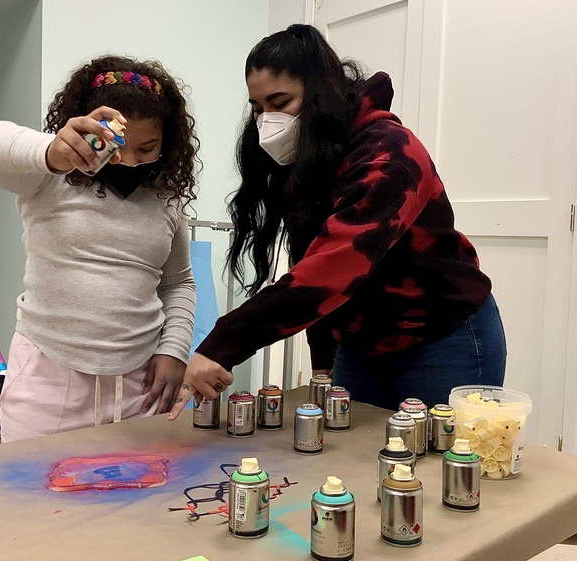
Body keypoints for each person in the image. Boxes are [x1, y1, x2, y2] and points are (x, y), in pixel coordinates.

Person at [168, 24, 507, 420]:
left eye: (280, 101)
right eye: (258, 107)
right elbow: (308, 255)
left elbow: (334, 266)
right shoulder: (310, 157)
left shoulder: (390, 153)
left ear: (321, 91)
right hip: (361, 346)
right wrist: (323, 355)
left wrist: (223, 342)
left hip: (443, 338)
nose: (266, 120)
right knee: (355, 466)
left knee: (435, 470)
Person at [0, 55, 200, 441]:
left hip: (140, 385)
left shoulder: (166, 199)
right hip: (47, 382)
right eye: (118, 146)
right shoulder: (49, 176)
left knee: (135, 499)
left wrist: (175, 350)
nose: (130, 162)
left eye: (147, 149)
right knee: (32, 498)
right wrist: (50, 151)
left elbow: (178, 283)